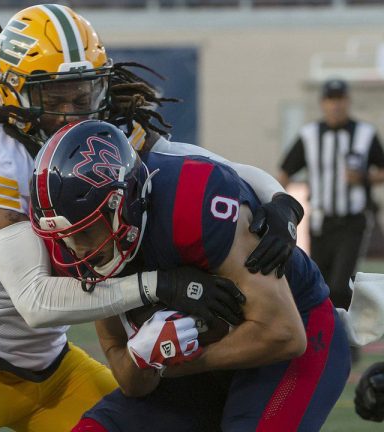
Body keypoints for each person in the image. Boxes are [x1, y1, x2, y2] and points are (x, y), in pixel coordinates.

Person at [0, 4, 304, 431]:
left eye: (82, 95)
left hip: (54, 368)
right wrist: (159, 285)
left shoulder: (106, 136)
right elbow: (34, 301)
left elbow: (206, 165)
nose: (72, 112)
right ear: (12, 94)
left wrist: (280, 202)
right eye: (54, 98)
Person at [29, 119, 351, 431]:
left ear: (122, 205)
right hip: (199, 366)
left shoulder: (193, 203)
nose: (77, 250)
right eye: (65, 237)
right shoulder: (79, 251)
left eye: (85, 232)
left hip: (292, 339)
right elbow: (132, 383)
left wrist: (177, 362)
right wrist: (141, 356)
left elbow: (283, 333)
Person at [278, 78, 384, 309]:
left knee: (339, 285)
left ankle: (344, 328)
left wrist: (364, 178)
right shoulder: (309, 135)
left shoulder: (364, 134)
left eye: (340, 99)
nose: (335, 105)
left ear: (348, 101)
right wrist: (277, 204)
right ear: (322, 103)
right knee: (320, 285)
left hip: (352, 221)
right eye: (330, 99)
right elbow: (285, 171)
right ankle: (329, 329)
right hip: (320, 222)